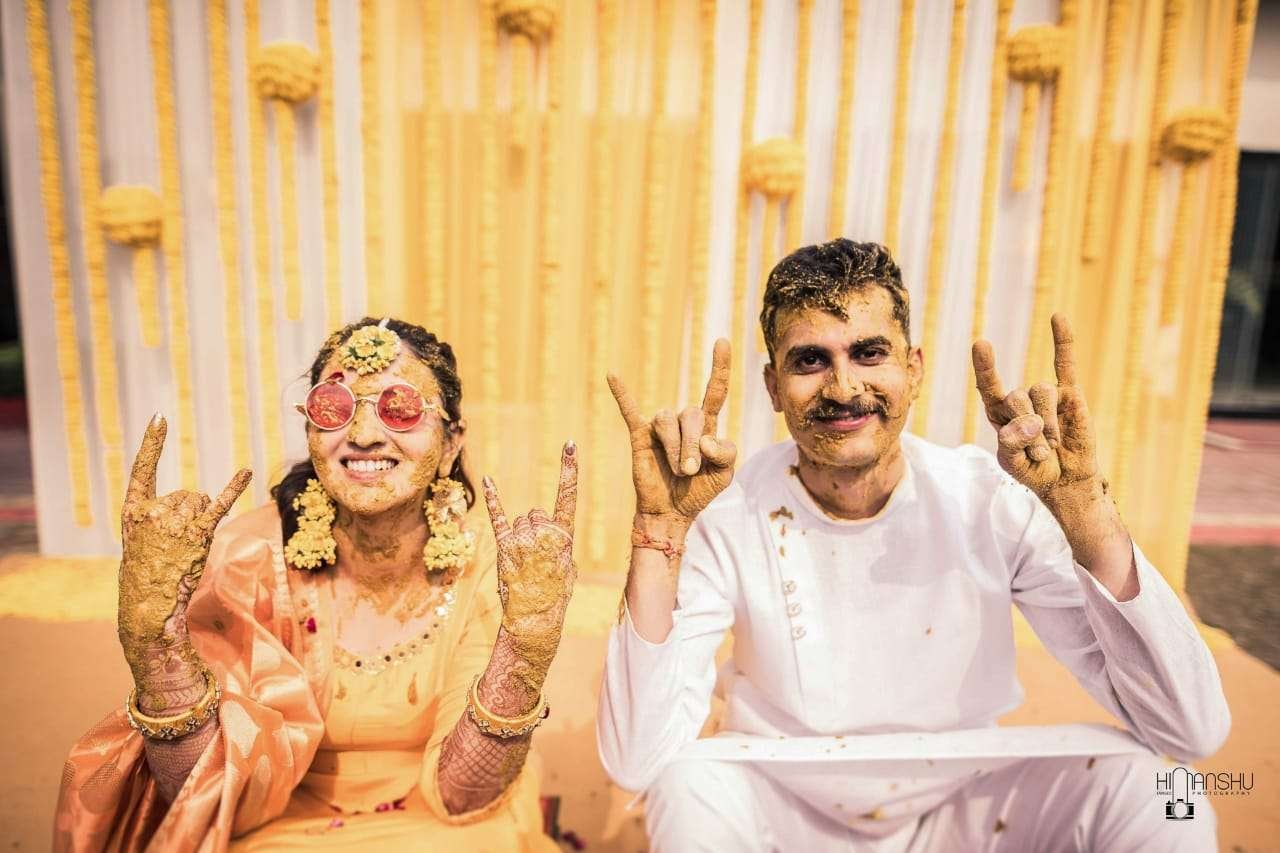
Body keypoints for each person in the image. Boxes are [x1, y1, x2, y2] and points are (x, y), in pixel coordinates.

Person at [597, 240, 1230, 851]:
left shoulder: (988, 497)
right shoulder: (725, 512)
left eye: (869, 353)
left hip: (969, 807)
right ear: (772, 386)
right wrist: (660, 532)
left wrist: (1086, 512)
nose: (844, 388)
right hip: (784, 804)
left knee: (1166, 790)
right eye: (810, 360)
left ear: (915, 368)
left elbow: (1191, 730)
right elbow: (636, 761)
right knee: (687, 784)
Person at [56, 318, 576, 851]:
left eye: (399, 407)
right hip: (278, 819)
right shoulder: (249, 555)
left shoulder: (496, 564)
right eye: (334, 407)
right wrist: (155, 649)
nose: (364, 435)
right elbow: (206, 795)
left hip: (445, 822)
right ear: (311, 431)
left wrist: (523, 653)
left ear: (450, 443)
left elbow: (463, 796)